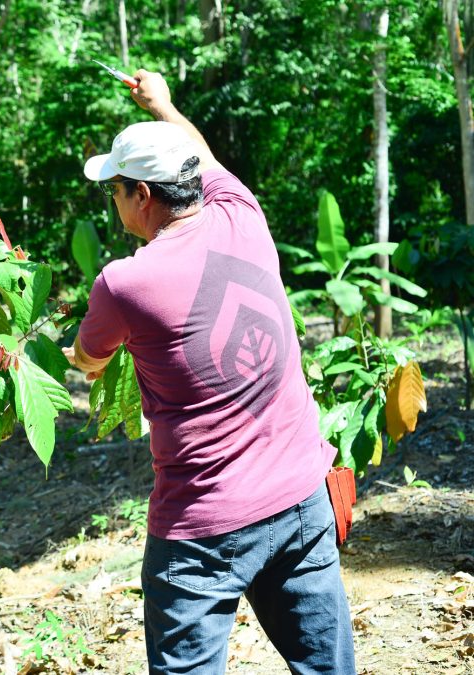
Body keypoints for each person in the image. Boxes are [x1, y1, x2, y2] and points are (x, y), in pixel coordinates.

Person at [67, 71, 355, 673]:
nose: (112, 201)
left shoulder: (124, 282)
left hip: (203, 529)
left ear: (141, 195)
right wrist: (163, 105)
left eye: (114, 189)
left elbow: (88, 362)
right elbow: (206, 155)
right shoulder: (242, 212)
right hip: (303, 500)